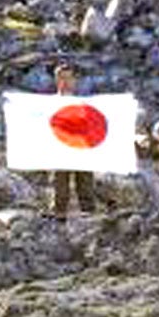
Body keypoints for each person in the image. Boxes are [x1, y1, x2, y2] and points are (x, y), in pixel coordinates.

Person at [50, 64, 96, 220]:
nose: (65, 81)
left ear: (75, 80)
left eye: (69, 77)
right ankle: (58, 220)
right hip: (58, 150)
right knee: (59, 188)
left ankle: (89, 220)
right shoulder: (47, 104)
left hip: (81, 149)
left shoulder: (84, 103)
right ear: (56, 80)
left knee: (86, 185)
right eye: (62, 77)